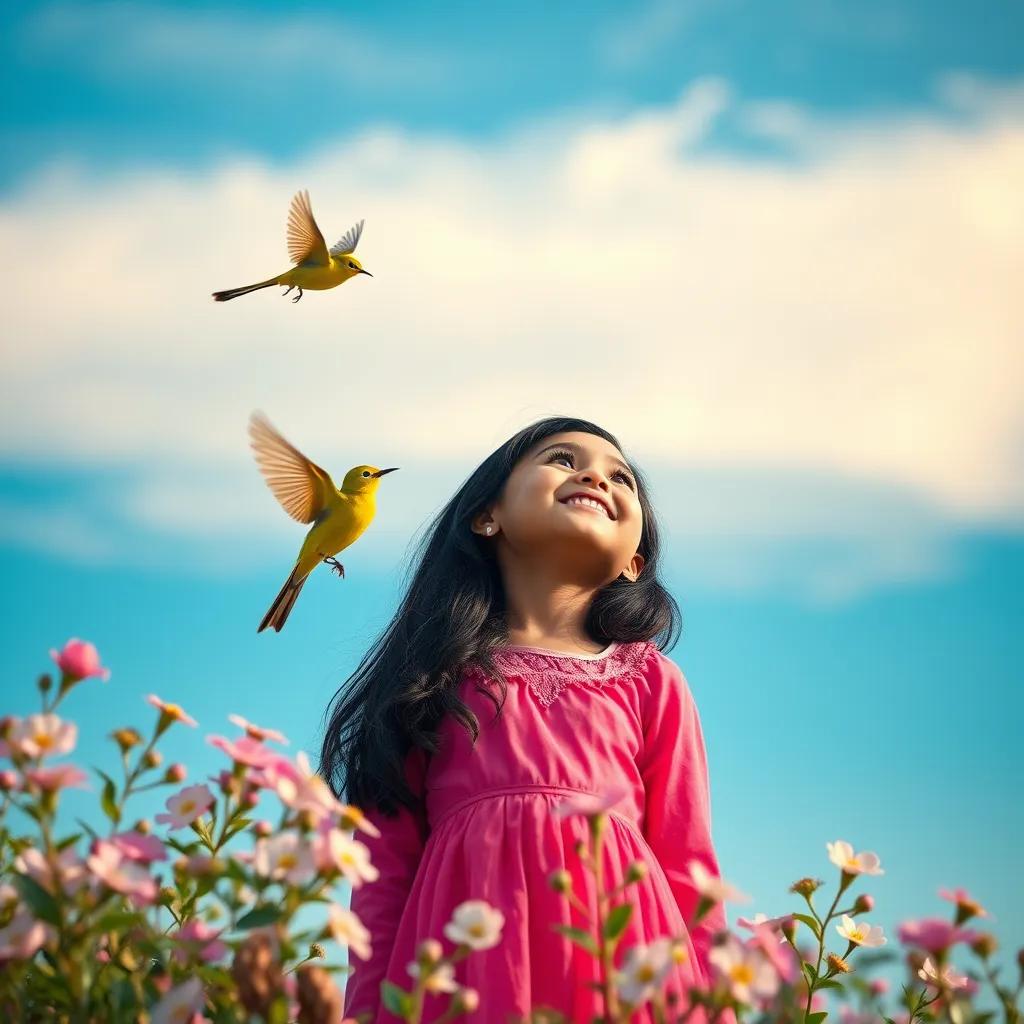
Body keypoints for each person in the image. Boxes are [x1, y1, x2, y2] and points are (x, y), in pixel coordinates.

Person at [320, 416, 734, 1023]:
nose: (596, 475)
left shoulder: (652, 682)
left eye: (622, 478)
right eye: (563, 460)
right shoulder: (428, 681)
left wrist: (718, 1009)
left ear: (634, 563)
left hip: (628, 976)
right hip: (464, 975)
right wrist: (367, 1013)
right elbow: (382, 878)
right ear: (488, 516)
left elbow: (690, 867)